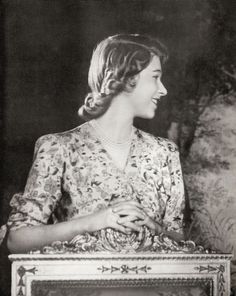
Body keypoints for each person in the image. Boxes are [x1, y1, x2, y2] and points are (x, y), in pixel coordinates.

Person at [6, 34, 185, 253]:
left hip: (152, 286)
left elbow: (180, 242)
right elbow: (17, 239)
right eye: (155, 77)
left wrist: (152, 226)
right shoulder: (58, 148)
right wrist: (95, 221)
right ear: (126, 78)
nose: (163, 89)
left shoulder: (164, 153)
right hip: (79, 286)